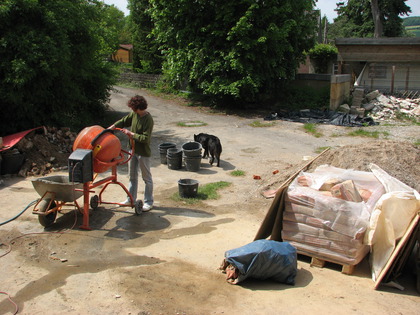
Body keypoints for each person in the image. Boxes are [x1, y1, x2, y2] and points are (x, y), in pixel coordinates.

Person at [108, 95, 154, 212]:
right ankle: (130, 199)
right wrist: (113, 127)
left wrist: (131, 134)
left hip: (143, 153)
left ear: (138, 108)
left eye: (133, 108)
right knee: (132, 176)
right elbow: (124, 121)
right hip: (132, 150)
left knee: (146, 178)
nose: (132, 110)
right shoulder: (134, 114)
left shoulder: (148, 119)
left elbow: (145, 138)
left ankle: (148, 202)